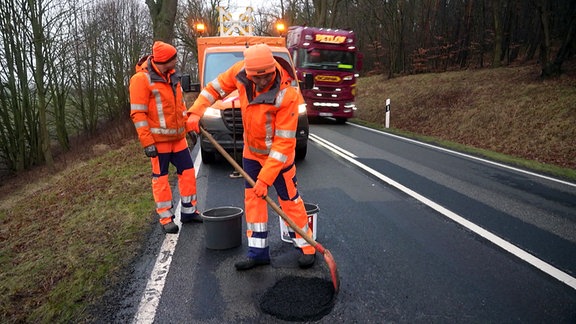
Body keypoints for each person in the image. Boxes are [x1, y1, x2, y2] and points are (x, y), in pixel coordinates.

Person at [187, 44, 316, 269]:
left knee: (289, 202)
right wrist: (196, 111)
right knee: (253, 202)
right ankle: (258, 252)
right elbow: (213, 90)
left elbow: (283, 143)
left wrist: (265, 179)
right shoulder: (241, 73)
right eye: (256, 79)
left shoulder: (287, 95)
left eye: (265, 78)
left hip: (279, 161)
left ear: (272, 70)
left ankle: (306, 246)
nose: (261, 83)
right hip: (251, 154)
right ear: (248, 74)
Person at [129, 41, 202, 234]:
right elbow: (138, 114)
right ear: (165, 61)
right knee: (160, 180)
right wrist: (147, 142)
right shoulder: (141, 80)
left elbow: (180, 107)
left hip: (178, 139)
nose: (177, 61)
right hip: (158, 142)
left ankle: (189, 211)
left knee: (187, 173)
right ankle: (166, 218)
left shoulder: (173, 77)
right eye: (174, 58)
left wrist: (188, 127)